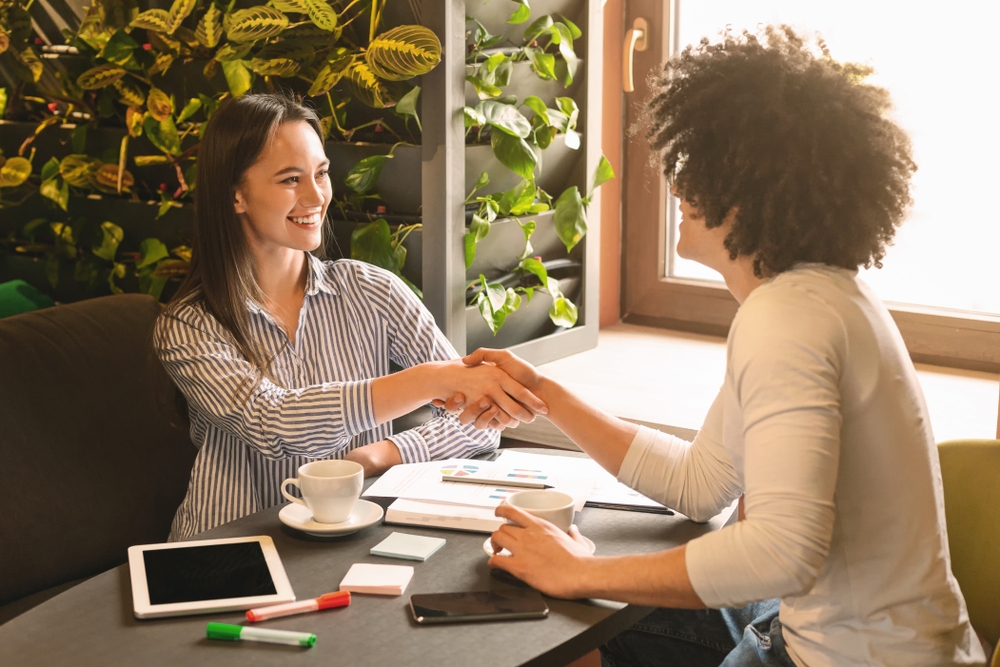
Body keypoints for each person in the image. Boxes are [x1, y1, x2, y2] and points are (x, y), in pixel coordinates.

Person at [459, 26, 985, 667]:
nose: (677, 182)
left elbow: (780, 552)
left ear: (748, 185)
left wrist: (580, 573)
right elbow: (700, 483)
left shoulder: (787, 320)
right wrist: (543, 395)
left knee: (567, 628)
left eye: (699, 164)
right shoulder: (817, 297)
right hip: (818, 629)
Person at [155, 93, 545, 541]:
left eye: (321, 173)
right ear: (236, 195)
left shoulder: (372, 291)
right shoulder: (188, 326)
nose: (316, 196)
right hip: (227, 553)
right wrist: (432, 380)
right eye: (289, 179)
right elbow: (274, 424)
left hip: (346, 547)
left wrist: (384, 453)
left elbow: (477, 427)